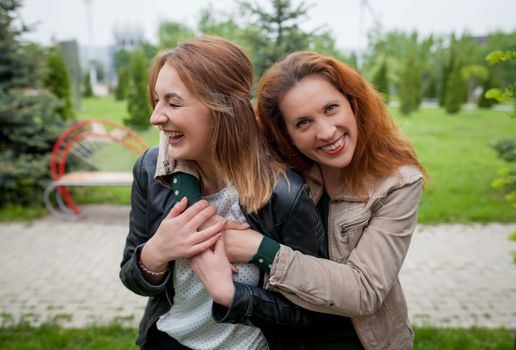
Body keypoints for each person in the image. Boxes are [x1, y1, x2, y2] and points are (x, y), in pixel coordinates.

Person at [119, 36, 346, 350]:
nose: (155, 116)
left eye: (173, 102)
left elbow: (312, 312)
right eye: (157, 100)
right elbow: (131, 277)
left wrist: (231, 294)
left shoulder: (283, 192)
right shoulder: (150, 170)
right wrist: (155, 252)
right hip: (166, 341)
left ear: (223, 108)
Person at [191, 51, 426, 350]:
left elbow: (364, 290)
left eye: (331, 108)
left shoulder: (398, 182)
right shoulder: (280, 170)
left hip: (362, 342)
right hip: (285, 338)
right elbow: (195, 138)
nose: (327, 132)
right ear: (285, 133)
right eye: (303, 123)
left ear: (352, 102)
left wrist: (262, 251)